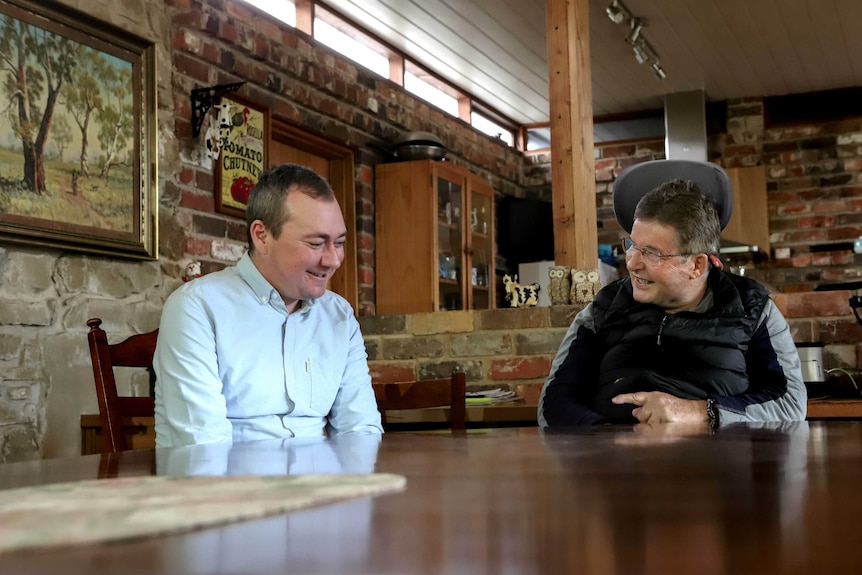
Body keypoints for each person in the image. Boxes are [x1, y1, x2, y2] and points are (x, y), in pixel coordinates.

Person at [538, 178, 807, 427]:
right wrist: (609, 439)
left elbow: (790, 404)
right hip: (614, 467)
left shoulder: (751, 308)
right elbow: (553, 404)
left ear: (696, 265)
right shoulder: (604, 307)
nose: (631, 263)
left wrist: (698, 412)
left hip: (715, 468)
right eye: (632, 245)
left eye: (652, 254)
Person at [154, 163, 383, 447]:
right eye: (315, 244)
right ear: (262, 236)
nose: (333, 260)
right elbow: (202, 447)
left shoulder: (339, 316)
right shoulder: (197, 308)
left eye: (339, 243)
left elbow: (361, 433)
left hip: (319, 487)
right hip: (229, 488)